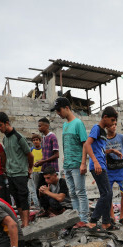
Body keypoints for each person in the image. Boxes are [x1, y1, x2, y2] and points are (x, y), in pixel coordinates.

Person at [52, 97, 89, 227]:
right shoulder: (65, 125)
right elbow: (65, 144)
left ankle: (84, 220)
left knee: (80, 192)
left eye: (59, 110)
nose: (58, 113)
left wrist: (83, 162)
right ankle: (76, 218)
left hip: (77, 164)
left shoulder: (78, 123)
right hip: (67, 164)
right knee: (72, 193)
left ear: (67, 108)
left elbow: (85, 144)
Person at [0, 112, 34, 228]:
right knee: (16, 198)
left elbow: (30, 155)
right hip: (10, 174)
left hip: (20, 173)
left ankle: (26, 223)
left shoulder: (19, 137)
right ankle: (22, 222)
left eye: (0, 125)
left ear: (7, 123)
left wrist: (30, 168)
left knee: (23, 197)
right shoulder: (5, 139)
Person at [84, 107, 119, 230]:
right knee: (106, 193)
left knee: (108, 194)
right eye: (112, 120)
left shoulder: (103, 132)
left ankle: (106, 222)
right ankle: (93, 221)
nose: (113, 123)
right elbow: (87, 144)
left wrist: (112, 150)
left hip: (102, 165)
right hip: (97, 166)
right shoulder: (97, 128)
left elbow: (101, 150)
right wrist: (95, 161)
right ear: (105, 118)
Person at [28, 134, 42, 211]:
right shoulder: (31, 150)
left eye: (37, 140)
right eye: (33, 140)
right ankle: (37, 206)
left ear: (40, 141)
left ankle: (42, 205)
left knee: (40, 188)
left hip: (42, 171)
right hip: (33, 171)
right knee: (33, 189)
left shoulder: (43, 149)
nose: (35, 141)